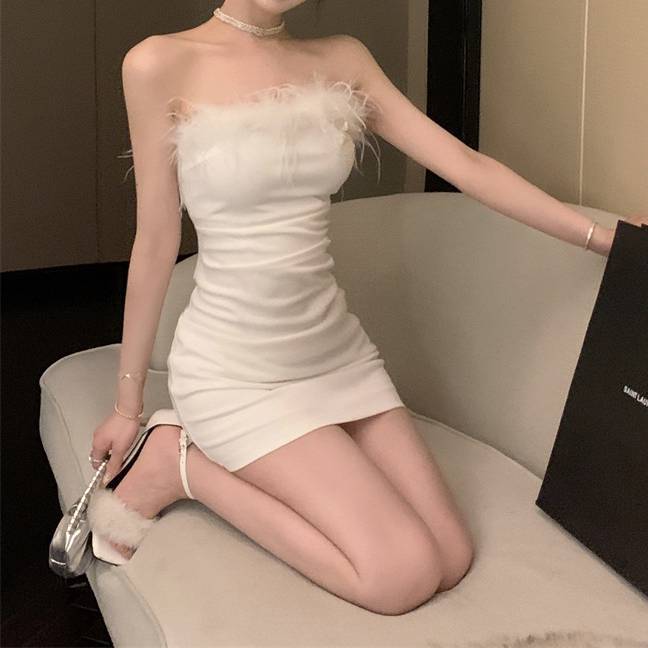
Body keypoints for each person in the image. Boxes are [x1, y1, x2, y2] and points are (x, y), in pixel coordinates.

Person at [86, 0, 646, 616]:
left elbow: (466, 165)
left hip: (335, 355)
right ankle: (179, 464)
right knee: (399, 576)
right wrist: (127, 405)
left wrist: (607, 239)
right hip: (236, 372)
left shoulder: (342, 59)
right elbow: (156, 239)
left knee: (451, 554)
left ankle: (191, 457)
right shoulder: (158, 63)